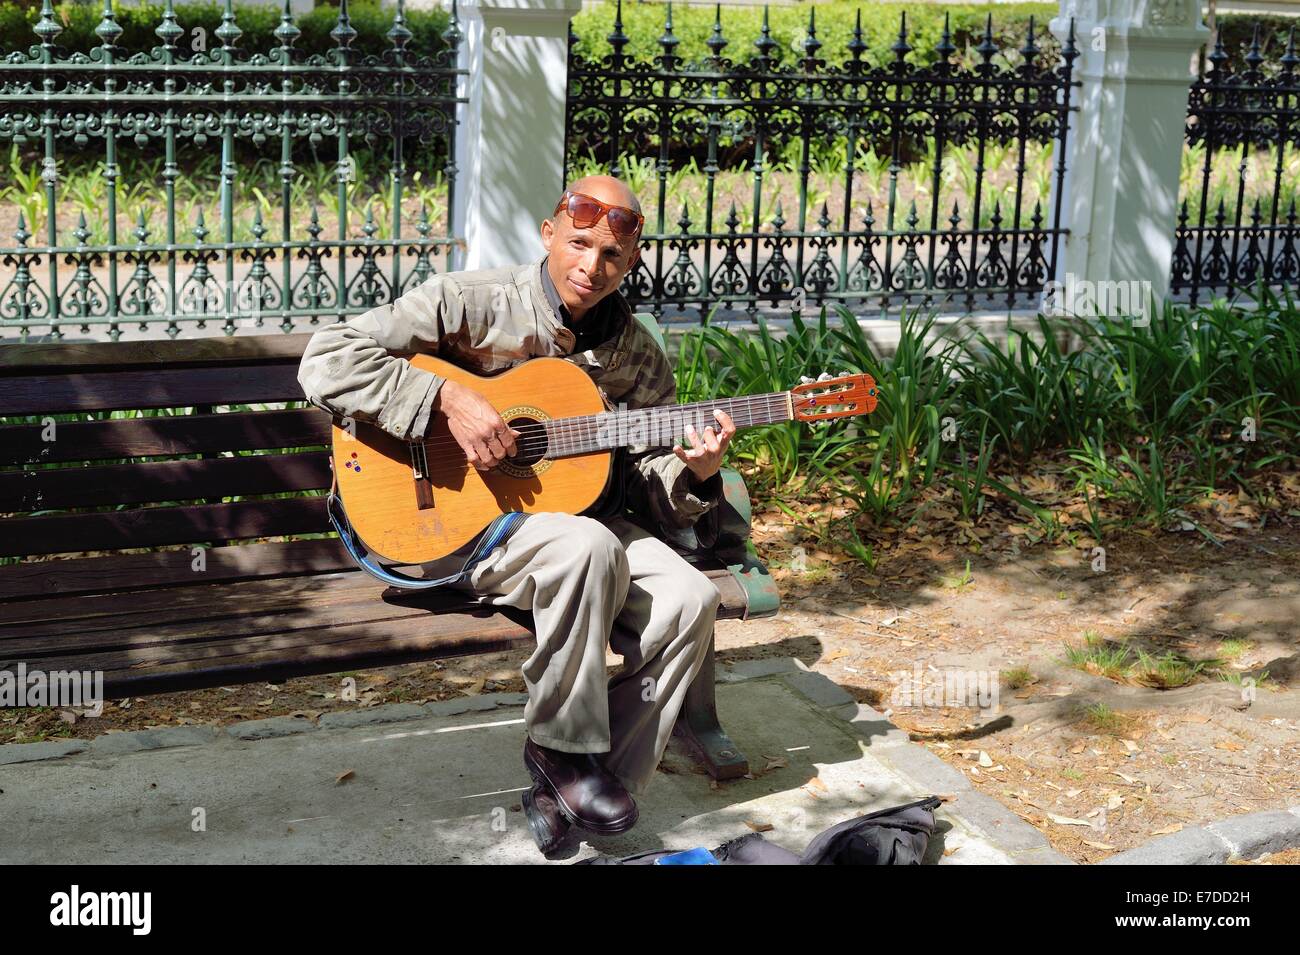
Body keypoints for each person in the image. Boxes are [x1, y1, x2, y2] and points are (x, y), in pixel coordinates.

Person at [297, 175, 736, 848]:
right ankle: (561, 750)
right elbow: (327, 358)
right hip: (457, 523)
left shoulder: (636, 355)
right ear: (548, 234)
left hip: (579, 518)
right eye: (580, 244)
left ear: (632, 262)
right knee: (587, 547)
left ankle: (583, 794)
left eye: (612, 257)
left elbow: (651, 483)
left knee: (688, 598)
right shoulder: (468, 302)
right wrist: (445, 398)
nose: (592, 266)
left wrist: (693, 472)